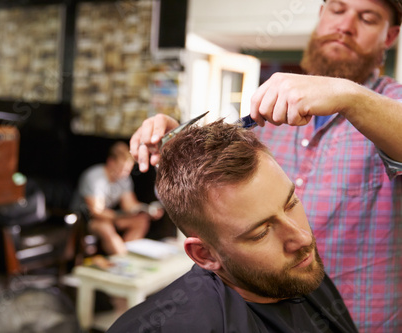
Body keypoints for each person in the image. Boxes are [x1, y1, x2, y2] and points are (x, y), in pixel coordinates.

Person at [129, 1, 402, 332]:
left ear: (390, 36)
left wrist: (347, 95)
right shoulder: (278, 107)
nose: (345, 25)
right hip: (273, 308)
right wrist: (178, 139)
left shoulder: (389, 109)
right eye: (337, 9)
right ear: (321, 16)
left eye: (367, 18)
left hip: (363, 318)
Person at [109, 120, 358, 332]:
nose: (302, 238)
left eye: (291, 203)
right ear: (204, 255)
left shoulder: (298, 271)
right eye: (261, 232)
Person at [71, 141, 163, 255]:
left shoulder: (124, 178)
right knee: (105, 228)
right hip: (84, 219)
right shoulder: (95, 178)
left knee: (141, 221)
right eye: (121, 169)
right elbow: (96, 212)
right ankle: (122, 257)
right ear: (111, 162)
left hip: (110, 216)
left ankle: (127, 253)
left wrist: (147, 209)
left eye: (127, 170)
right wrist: (119, 216)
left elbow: (129, 205)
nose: (124, 174)